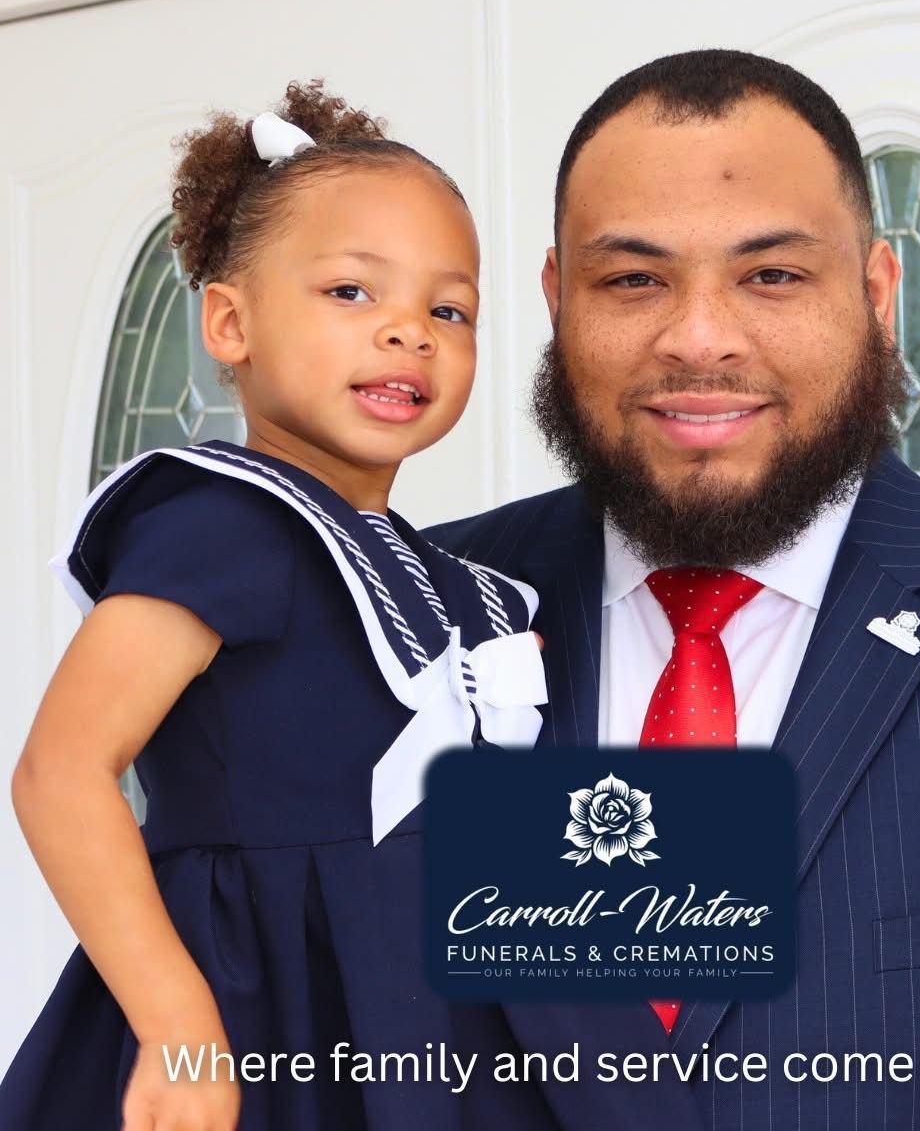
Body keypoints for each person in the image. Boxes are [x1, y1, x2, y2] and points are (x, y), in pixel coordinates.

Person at [428, 49, 920, 1129]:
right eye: (635, 279)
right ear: (559, 300)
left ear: (880, 295)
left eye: (773, 276)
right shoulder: (406, 614)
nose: (700, 338)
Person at [0, 81, 546, 1130]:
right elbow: (60, 772)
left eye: (448, 310)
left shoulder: (455, 583)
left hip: (431, 1024)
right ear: (230, 322)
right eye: (351, 293)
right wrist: (177, 1025)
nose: (408, 333)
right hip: (267, 1012)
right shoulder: (220, 525)